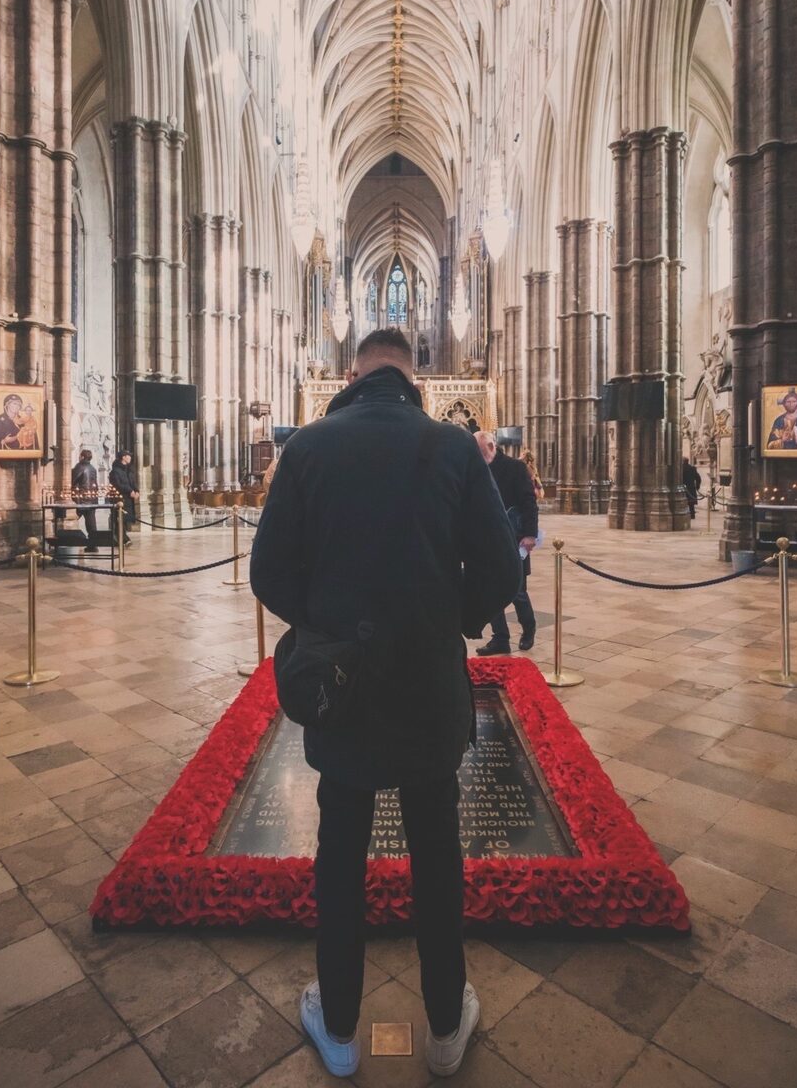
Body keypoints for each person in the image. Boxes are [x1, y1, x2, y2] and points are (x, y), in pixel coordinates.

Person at [251, 327, 520, 1079]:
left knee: (341, 854)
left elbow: (267, 572)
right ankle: (443, 1028)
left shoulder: (306, 448)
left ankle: (338, 1030)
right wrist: (450, 620)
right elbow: (501, 569)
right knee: (437, 852)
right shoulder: (454, 449)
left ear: (352, 373)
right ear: (414, 376)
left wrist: (328, 628)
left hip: (342, 690)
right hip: (429, 686)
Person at [473, 432, 538, 655]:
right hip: (487, 539)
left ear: (492, 445)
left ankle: (528, 629)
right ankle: (500, 638)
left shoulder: (515, 468)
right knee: (491, 590)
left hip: (515, 537)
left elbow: (529, 503)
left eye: (481, 451)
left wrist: (530, 535)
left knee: (517, 590)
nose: (478, 457)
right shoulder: (477, 469)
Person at [71, 448, 100, 551]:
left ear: (82, 457)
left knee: (69, 520)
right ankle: (93, 545)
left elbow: (72, 480)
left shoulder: (80, 467)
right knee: (91, 524)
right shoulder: (92, 468)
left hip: (81, 500)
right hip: (91, 499)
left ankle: (66, 542)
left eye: (80, 455)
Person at [108, 451, 139, 540]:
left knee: (125, 519)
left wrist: (136, 491)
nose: (130, 458)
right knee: (119, 519)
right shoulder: (115, 471)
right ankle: (122, 538)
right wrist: (130, 491)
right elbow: (117, 484)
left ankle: (123, 537)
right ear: (123, 457)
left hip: (128, 498)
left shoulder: (129, 470)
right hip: (120, 498)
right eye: (128, 456)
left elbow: (132, 482)